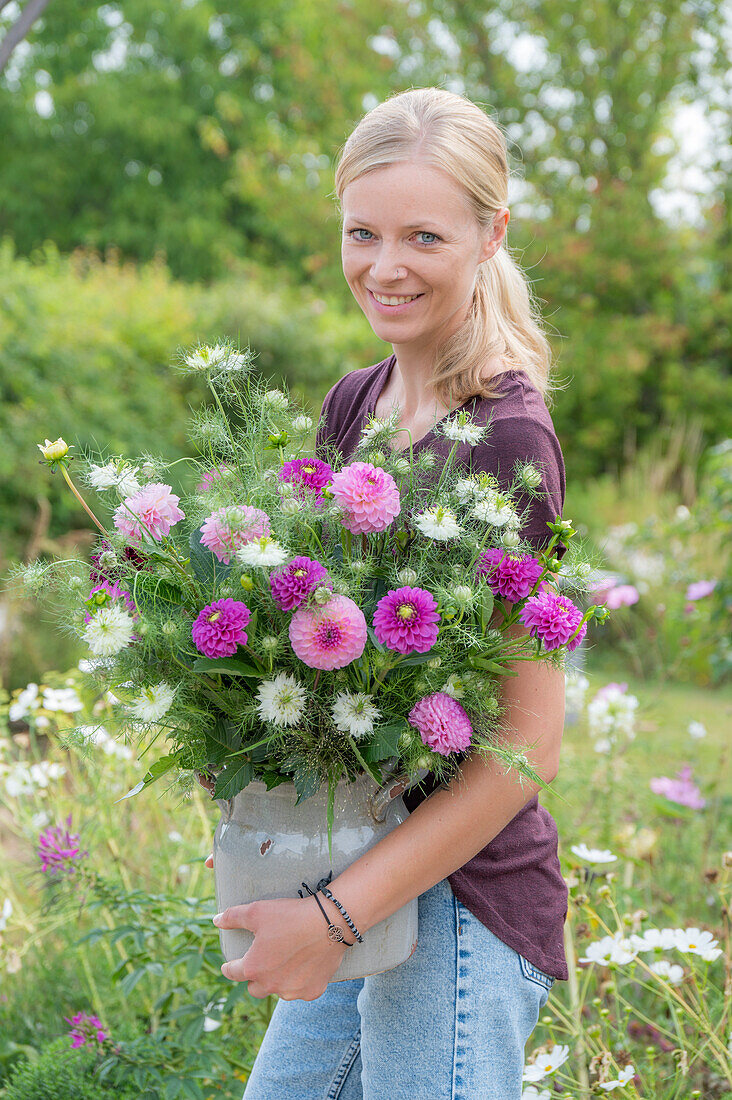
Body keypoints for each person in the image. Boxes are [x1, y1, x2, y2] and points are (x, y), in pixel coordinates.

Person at [210, 87, 570, 1100]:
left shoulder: (506, 435)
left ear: (491, 233)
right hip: (351, 855)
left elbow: (526, 749)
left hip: (458, 904)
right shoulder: (357, 401)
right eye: (362, 232)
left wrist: (333, 916)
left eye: (423, 235)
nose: (385, 264)